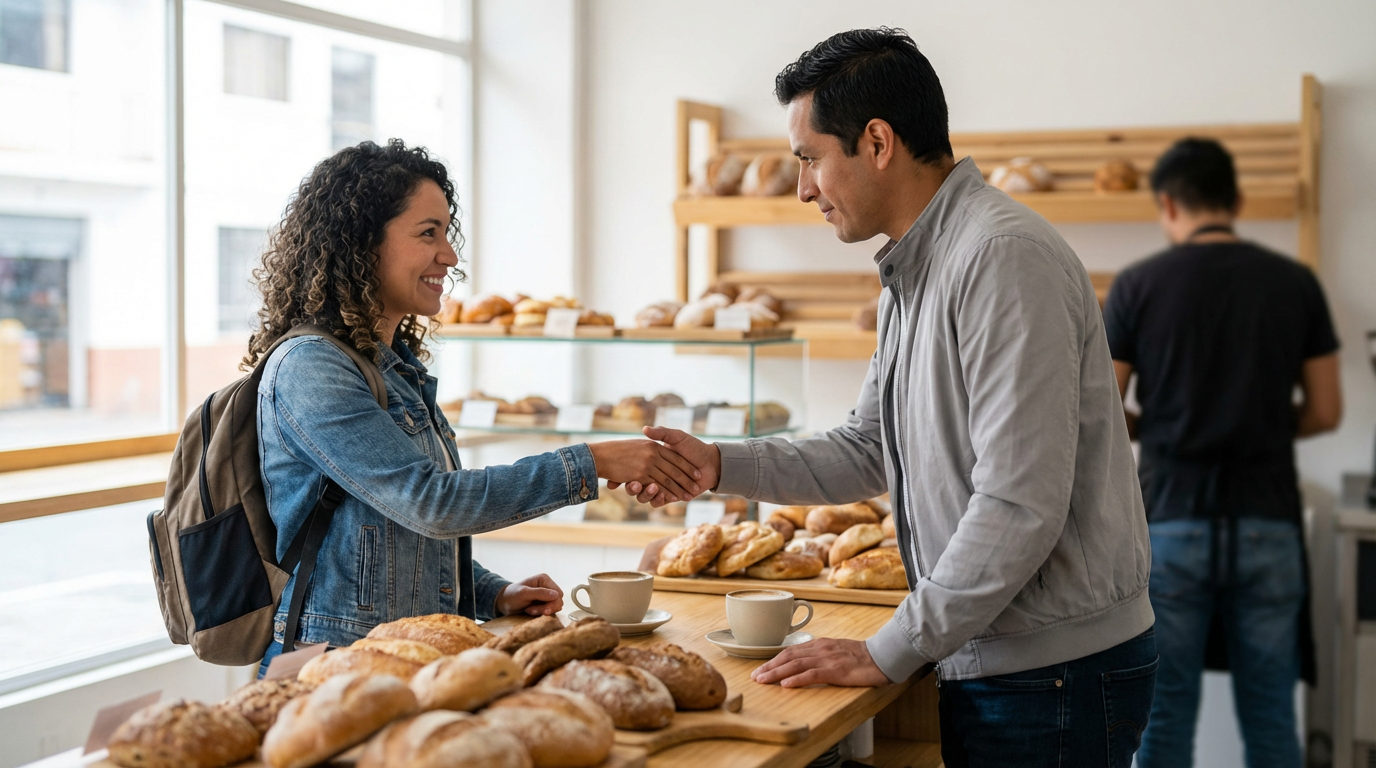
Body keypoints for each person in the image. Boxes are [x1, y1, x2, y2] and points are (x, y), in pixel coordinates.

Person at [621, 27, 1155, 766]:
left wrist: (889, 649)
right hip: (1006, 656)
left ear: (876, 142)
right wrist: (716, 464)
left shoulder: (1000, 258)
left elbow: (1020, 502)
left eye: (810, 159)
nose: (805, 187)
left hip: (1050, 673)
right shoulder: (919, 266)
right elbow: (867, 447)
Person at [250, 139, 705, 675]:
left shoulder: (393, 366)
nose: (449, 255)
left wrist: (491, 592)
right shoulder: (312, 368)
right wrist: (593, 461)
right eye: (428, 233)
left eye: (447, 233)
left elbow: (396, 532)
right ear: (360, 244)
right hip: (333, 670)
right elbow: (431, 503)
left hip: (408, 657)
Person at [1104, 138, 1341, 768]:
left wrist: (1157, 429)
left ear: (1166, 205)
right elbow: (1326, 410)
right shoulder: (1295, 284)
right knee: (1269, 719)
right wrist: (1256, 422)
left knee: (1164, 720)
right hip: (1269, 523)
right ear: (1234, 202)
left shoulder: (1138, 287)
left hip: (1173, 521)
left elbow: (1101, 406)